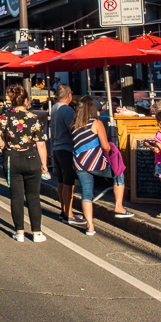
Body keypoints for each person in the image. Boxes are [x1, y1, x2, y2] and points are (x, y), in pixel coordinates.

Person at [0, 84, 48, 242]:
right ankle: (36, 232)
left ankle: (20, 232)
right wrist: (44, 163)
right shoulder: (33, 118)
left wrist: (3, 146)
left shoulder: (6, 116)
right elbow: (41, 144)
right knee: (33, 197)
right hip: (31, 157)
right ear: (27, 101)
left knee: (16, 197)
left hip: (12, 158)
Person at [70, 96, 134, 236]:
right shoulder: (96, 123)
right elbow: (105, 146)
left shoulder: (74, 125)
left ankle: (90, 227)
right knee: (118, 172)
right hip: (96, 163)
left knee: (86, 193)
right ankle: (119, 207)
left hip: (79, 163)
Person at [50, 84, 86, 226]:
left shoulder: (54, 107)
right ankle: (69, 213)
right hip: (66, 148)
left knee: (61, 181)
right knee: (68, 183)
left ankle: (64, 210)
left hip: (57, 148)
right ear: (69, 95)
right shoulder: (67, 110)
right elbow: (73, 130)